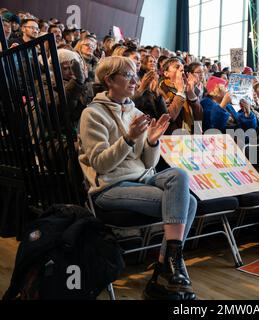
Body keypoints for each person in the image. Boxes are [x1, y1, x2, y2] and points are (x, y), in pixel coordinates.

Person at [78, 56, 196, 300]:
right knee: (189, 203)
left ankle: (165, 266)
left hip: (141, 179)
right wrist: (129, 138)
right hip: (110, 187)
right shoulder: (92, 114)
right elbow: (101, 164)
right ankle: (167, 272)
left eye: (135, 75)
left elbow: (148, 164)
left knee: (180, 176)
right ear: (110, 80)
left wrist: (152, 141)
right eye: (128, 75)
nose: (135, 80)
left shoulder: (136, 112)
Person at [159, 57, 203, 134]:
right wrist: (180, 92)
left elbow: (199, 115)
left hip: (191, 135)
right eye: (177, 67)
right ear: (166, 73)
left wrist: (191, 94)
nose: (181, 69)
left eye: (182, 67)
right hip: (172, 136)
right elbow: (169, 117)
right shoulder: (161, 89)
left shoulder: (187, 86)